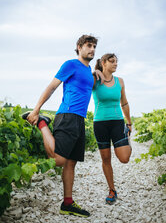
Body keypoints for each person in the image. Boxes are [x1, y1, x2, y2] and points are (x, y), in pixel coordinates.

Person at [22, 34, 99, 218]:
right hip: (67, 115)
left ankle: (68, 203)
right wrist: (36, 109)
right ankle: (42, 122)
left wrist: (98, 73)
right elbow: (51, 87)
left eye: (94, 46)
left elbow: (98, 81)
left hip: (79, 120)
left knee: (71, 163)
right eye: (89, 45)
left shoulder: (89, 72)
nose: (92, 49)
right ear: (79, 47)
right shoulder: (71, 64)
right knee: (59, 160)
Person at [92, 53, 132, 205]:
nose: (116, 64)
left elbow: (125, 103)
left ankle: (126, 140)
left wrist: (129, 123)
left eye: (116, 62)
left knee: (124, 158)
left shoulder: (120, 81)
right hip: (100, 124)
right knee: (106, 159)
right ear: (103, 63)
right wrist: (94, 73)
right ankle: (112, 189)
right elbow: (83, 81)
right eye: (112, 61)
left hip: (117, 122)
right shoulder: (95, 80)